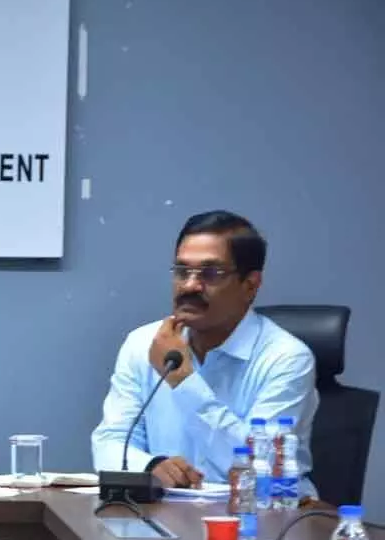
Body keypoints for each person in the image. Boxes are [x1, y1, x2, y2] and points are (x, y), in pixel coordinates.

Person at [91, 210, 319, 497]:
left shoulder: (286, 359)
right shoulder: (142, 344)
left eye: (210, 273)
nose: (190, 285)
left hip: (258, 523)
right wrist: (150, 466)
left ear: (251, 285)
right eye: (182, 271)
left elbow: (257, 472)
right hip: (166, 515)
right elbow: (110, 441)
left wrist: (184, 381)